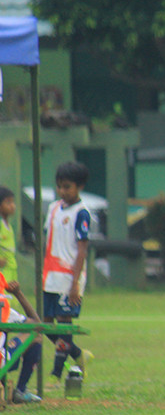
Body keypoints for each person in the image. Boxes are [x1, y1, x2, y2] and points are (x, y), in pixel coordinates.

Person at [42, 161, 93, 386]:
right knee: (44, 323)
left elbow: (82, 249)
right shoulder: (53, 208)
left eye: (67, 187)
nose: (62, 191)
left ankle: (56, 373)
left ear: (79, 186)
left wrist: (75, 284)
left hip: (68, 277)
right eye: (60, 187)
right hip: (50, 275)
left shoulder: (81, 213)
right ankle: (78, 354)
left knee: (64, 323)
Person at [0, 273, 43, 404]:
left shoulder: (5, 309)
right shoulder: (4, 307)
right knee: (35, 336)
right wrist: (18, 294)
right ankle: (20, 390)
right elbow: (37, 326)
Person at [0, 186, 18, 283]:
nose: (12, 206)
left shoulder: (9, 226)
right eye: (8, 202)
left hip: (11, 269)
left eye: (13, 202)